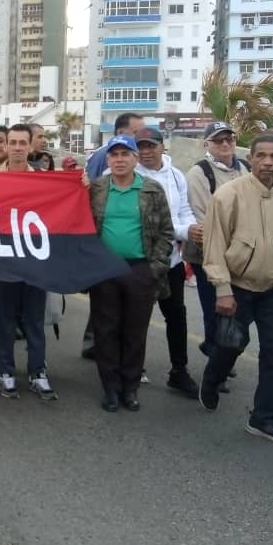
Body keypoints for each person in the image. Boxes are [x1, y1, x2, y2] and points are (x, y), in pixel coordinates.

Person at [199, 136, 273, 447]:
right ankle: (212, 380)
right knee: (231, 344)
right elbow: (213, 245)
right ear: (251, 158)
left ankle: (264, 418)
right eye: (261, 156)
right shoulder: (228, 195)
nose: (268, 162)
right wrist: (223, 289)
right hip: (239, 287)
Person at [87, 134, 174, 413]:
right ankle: (110, 387)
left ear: (136, 158)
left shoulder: (152, 190)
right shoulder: (97, 189)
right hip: (105, 269)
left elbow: (165, 232)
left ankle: (130, 387)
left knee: (134, 332)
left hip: (140, 268)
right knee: (106, 329)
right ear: (108, 159)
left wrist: (155, 268)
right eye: (115, 155)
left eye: (126, 154)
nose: (120, 159)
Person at [0, 124, 56, 401]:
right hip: (1, 263)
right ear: (5, 146)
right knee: (4, 320)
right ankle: (6, 371)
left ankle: (37, 371)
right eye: (12, 142)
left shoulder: (46, 180)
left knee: (34, 321)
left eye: (21, 143)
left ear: (30, 146)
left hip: (33, 263)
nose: (16, 147)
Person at [134, 127, 200, 398]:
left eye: (151, 146)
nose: (146, 152)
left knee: (176, 315)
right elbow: (151, 222)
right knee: (137, 317)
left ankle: (179, 370)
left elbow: (183, 210)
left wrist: (192, 227)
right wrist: (184, 231)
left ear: (163, 146)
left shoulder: (176, 175)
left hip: (170, 260)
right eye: (141, 147)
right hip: (138, 259)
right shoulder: (131, 174)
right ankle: (133, 367)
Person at [183, 122, 249, 374]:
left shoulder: (245, 168)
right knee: (216, 308)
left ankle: (218, 349)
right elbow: (202, 220)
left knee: (235, 310)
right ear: (206, 144)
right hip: (207, 255)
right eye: (218, 140)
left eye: (229, 139)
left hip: (240, 255)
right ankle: (216, 361)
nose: (224, 144)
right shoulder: (199, 174)